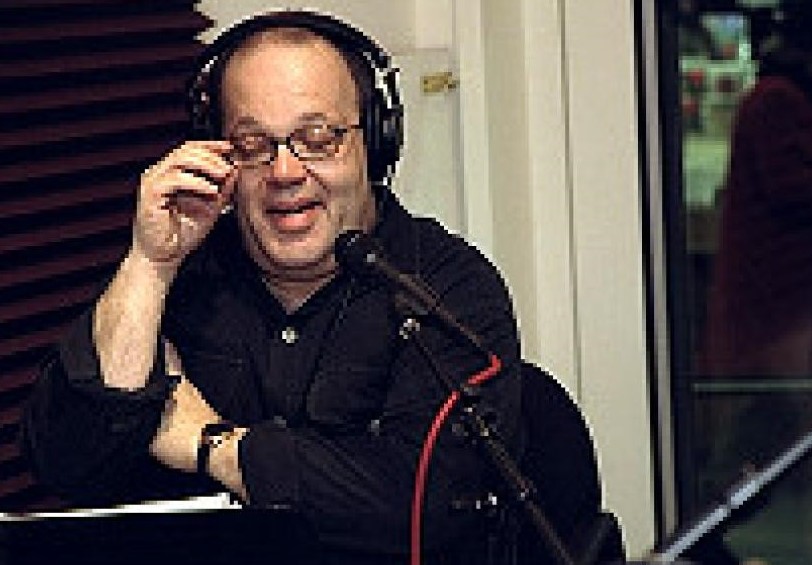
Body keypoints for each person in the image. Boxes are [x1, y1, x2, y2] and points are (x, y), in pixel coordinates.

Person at [20, 10, 525, 565]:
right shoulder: (178, 281)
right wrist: (150, 263)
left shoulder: (447, 291)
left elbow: (425, 515)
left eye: (317, 138)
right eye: (252, 144)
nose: (284, 172)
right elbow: (65, 464)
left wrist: (209, 444)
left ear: (377, 143)